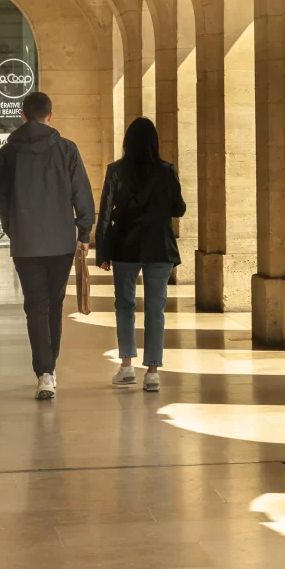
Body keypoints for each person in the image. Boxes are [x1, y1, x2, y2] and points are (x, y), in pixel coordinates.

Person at [0, 91, 94, 400]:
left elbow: (3, 198)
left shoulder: (9, 152)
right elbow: (82, 191)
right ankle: (51, 366)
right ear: (49, 116)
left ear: (22, 115)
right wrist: (84, 230)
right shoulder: (66, 149)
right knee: (54, 303)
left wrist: (14, 230)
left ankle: (45, 371)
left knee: (35, 306)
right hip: (60, 241)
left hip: (26, 243)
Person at [94, 117, 185, 393]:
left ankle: (126, 367)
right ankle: (153, 372)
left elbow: (106, 213)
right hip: (159, 246)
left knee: (124, 305)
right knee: (155, 309)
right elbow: (178, 209)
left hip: (125, 246)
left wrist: (103, 250)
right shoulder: (166, 170)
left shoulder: (115, 171)